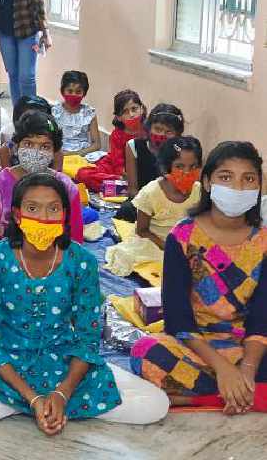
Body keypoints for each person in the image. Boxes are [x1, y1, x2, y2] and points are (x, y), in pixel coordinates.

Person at [0, 172, 170, 432]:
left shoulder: (81, 262)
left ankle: (48, 405)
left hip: (65, 362)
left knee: (155, 404)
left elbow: (88, 337)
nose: (43, 217)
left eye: (53, 209)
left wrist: (62, 393)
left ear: (65, 215)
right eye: (32, 208)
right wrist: (34, 398)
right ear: (17, 215)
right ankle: (39, 405)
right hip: (8, 365)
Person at [131, 141, 267, 414]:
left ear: (259, 187)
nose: (237, 188)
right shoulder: (182, 237)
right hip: (196, 343)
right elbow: (178, 319)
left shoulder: (263, 240)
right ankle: (242, 395)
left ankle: (214, 397)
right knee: (146, 352)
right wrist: (223, 369)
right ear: (206, 182)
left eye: (248, 179)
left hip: (249, 346)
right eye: (226, 177)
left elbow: (261, 318)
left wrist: (247, 370)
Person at [0, 111, 83, 258]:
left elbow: (75, 240)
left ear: (54, 151)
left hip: (55, 264)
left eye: (45, 146)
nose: (35, 152)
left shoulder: (67, 188)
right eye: (28, 144)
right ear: (17, 146)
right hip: (5, 264)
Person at [105, 137, 203, 277]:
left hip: (187, 243)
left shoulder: (198, 191)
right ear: (166, 168)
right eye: (179, 167)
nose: (187, 172)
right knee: (132, 257)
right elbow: (142, 231)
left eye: (193, 167)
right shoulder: (151, 192)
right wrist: (168, 247)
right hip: (156, 243)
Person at [75, 90, 147, 192]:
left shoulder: (147, 131)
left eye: (134, 109)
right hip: (118, 170)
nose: (131, 114)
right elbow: (117, 162)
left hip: (141, 170)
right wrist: (121, 176)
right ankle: (122, 186)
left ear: (141, 109)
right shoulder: (117, 134)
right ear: (119, 117)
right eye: (125, 112)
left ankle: (119, 188)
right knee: (82, 174)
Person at [126, 104, 185, 197]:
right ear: (149, 128)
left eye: (169, 132)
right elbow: (133, 190)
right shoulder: (134, 146)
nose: (162, 135)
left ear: (177, 134)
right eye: (157, 129)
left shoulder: (182, 153)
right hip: (141, 201)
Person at [51, 70, 101, 156]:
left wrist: (76, 154)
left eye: (78, 92)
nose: (73, 95)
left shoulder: (89, 113)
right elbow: (49, 138)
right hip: (60, 153)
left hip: (83, 154)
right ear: (62, 91)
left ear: (84, 93)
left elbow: (97, 144)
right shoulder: (55, 112)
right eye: (70, 91)